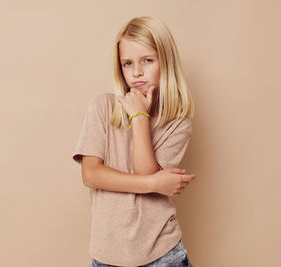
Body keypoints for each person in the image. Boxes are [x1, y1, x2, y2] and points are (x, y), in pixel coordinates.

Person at [72, 16, 197, 267]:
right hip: (107, 257)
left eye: (147, 60)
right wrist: (154, 182)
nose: (137, 72)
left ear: (166, 62)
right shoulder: (103, 107)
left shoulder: (178, 124)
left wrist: (140, 117)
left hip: (163, 254)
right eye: (127, 63)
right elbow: (91, 175)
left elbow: (143, 169)